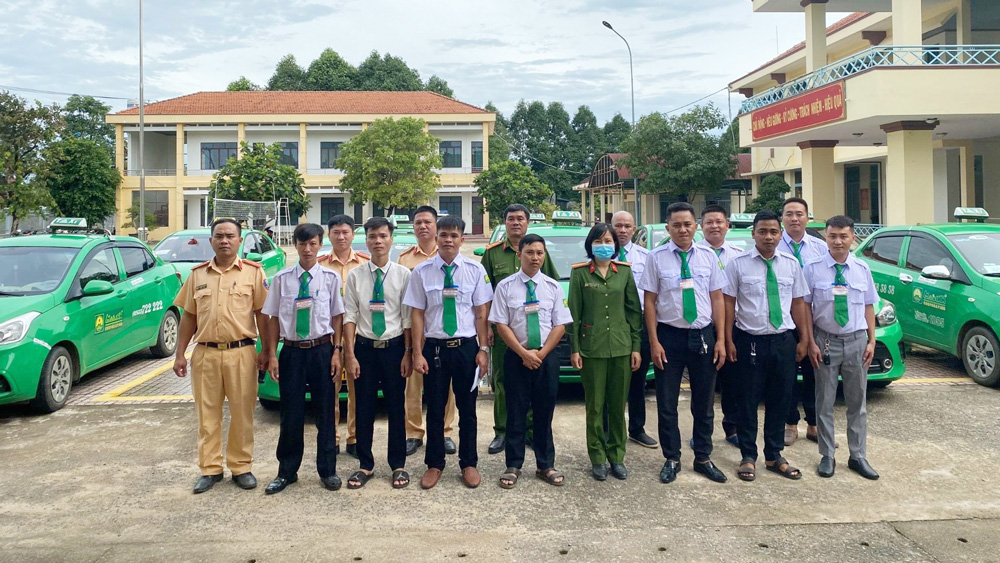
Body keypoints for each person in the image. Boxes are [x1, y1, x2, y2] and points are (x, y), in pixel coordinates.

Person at [173, 217, 269, 494]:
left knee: (242, 413)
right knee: (207, 414)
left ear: (240, 241)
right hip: (206, 354)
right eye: (219, 236)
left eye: (230, 236)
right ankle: (210, 468)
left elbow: (263, 315)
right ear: (211, 240)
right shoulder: (197, 275)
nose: (224, 240)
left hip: (242, 353)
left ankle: (241, 466)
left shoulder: (253, 273)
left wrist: (265, 351)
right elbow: (188, 316)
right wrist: (180, 354)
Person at [639, 202, 728, 485]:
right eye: (676, 225)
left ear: (696, 226)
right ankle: (672, 457)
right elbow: (649, 302)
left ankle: (703, 457)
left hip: (703, 335)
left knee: (704, 402)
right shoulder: (656, 258)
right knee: (667, 402)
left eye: (687, 224)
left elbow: (717, 298)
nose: (682, 229)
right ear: (668, 228)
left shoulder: (708, 257)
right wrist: (654, 341)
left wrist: (722, 339)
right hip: (669, 336)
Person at [403, 215, 493, 489]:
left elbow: (481, 314)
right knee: (435, 408)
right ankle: (435, 464)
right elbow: (417, 314)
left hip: (466, 348)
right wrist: (417, 353)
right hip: (435, 350)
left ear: (462, 240)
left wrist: (483, 349)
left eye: (454, 235)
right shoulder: (422, 272)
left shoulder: (475, 271)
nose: (448, 240)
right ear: (436, 238)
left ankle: (468, 463)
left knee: (468, 410)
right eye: (443, 235)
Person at [723, 210, 809, 482]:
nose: (768, 237)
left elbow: (798, 303)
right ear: (753, 234)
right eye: (762, 231)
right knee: (747, 400)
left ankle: (774, 455)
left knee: (780, 398)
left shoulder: (791, 264)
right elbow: (727, 303)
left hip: (783, 340)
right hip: (749, 340)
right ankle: (748, 455)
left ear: (780, 234)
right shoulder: (738, 264)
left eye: (773, 232)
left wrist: (804, 338)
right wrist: (727, 340)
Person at [261, 223, 344, 494]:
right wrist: (272, 354)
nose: (307, 249)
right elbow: (272, 318)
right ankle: (286, 471)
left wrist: (337, 351)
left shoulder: (331, 279)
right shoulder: (282, 279)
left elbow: (337, 317)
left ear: (321, 245)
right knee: (291, 413)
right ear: (295, 245)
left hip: (322, 350)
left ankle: (328, 470)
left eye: (313, 243)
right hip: (293, 352)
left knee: (325, 413)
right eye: (302, 243)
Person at [489, 234, 572, 488]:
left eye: (539, 253)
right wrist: (524, 354)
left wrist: (542, 353)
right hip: (516, 357)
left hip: (545, 358)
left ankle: (545, 464)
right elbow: (500, 323)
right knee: (515, 411)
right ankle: (513, 465)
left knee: (544, 412)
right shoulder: (505, 286)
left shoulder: (553, 287)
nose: (535, 257)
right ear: (519, 255)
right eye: (529, 252)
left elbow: (560, 325)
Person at [805, 215, 880, 480]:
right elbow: (804, 306)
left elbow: (869, 305)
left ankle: (858, 456)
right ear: (825, 237)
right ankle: (827, 456)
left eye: (843, 236)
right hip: (825, 340)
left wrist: (872, 340)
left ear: (852, 238)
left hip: (857, 341)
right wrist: (810, 341)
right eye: (832, 236)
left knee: (857, 402)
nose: (837, 241)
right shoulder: (813, 268)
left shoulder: (862, 269)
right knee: (824, 401)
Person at [481, 204, 559, 455]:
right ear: (504, 222)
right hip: (505, 330)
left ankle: (530, 430)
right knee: (503, 380)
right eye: (511, 219)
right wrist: (488, 328)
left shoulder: (537, 251)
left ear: (528, 222)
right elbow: (484, 294)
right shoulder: (493, 254)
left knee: (536, 383)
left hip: (537, 333)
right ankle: (502, 431)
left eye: (520, 219)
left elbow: (552, 286)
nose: (516, 223)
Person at [568, 223, 642, 482]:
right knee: (595, 406)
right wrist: (575, 349)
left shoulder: (623, 272)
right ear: (591, 245)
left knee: (617, 406)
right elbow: (574, 315)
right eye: (598, 241)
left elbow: (634, 311)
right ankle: (597, 457)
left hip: (621, 347)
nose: (604, 245)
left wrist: (636, 346)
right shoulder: (579, 274)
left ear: (616, 245)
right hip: (592, 348)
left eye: (608, 241)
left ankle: (617, 456)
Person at [343, 217, 413, 489]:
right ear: (366, 240)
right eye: (372, 236)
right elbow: (350, 316)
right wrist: (350, 355)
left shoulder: (403, 275)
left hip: (394, 349)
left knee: (397, 408)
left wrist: (408, 352)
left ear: (391, 239)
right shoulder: (355, 275)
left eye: (383, 236)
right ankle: (365, 464)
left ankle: (398, 465)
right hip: (364, 350)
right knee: (364, 408)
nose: (378, 241)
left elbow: (407, 319)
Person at [399, 206, 458, 458]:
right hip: (416, 330)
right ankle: (414, 432)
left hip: (444, 330)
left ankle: (445, 432)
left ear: (436, 227)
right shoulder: (403, 259)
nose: (422, 226)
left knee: (448, 386)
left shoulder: (449, 251)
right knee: (414, 383)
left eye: (427, 222)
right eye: (418, 222)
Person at [318, 214, 370, 458]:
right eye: (336, 232)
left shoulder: (365, 264)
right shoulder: (318, 265)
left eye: (345, 232)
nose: (341, 236)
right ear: (329, 235)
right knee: (330, 392)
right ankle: (332, 438)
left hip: (360, 336)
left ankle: (354, 438)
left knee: (358, 391)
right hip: (327, 339)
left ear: (353, 235)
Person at [778, 198, 827, 446]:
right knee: (787, 375)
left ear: (808, 217)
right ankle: (790, 424)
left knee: (814, 373)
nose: (794, 218)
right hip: (783, 320)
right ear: (782, 218)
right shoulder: (773, 246)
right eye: (789, 214)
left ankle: (814, 423)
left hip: (814, 320)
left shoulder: (820, 247)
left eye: (799, 214)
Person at [696, 205, 743, 448]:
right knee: (704, 384)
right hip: (703, 326)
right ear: (701, 226)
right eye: (709, 222)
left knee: (732, 380)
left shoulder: (738, 255)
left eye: (719, 221)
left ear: (727, 225)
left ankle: (732, 426)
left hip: (733, 326)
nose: (715, 226)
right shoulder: (691, 253)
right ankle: (701, 434)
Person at [610, 210, 656, 448]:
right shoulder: (600, 256)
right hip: (610, 326)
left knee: (638, 379)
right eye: (618, 225)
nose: (622, 230)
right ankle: (610, 430)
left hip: (638, 324)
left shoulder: (646, 257)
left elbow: (651, 294)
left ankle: (637, 428)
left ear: (635, 229)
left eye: (627, 226)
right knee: (611, 380)